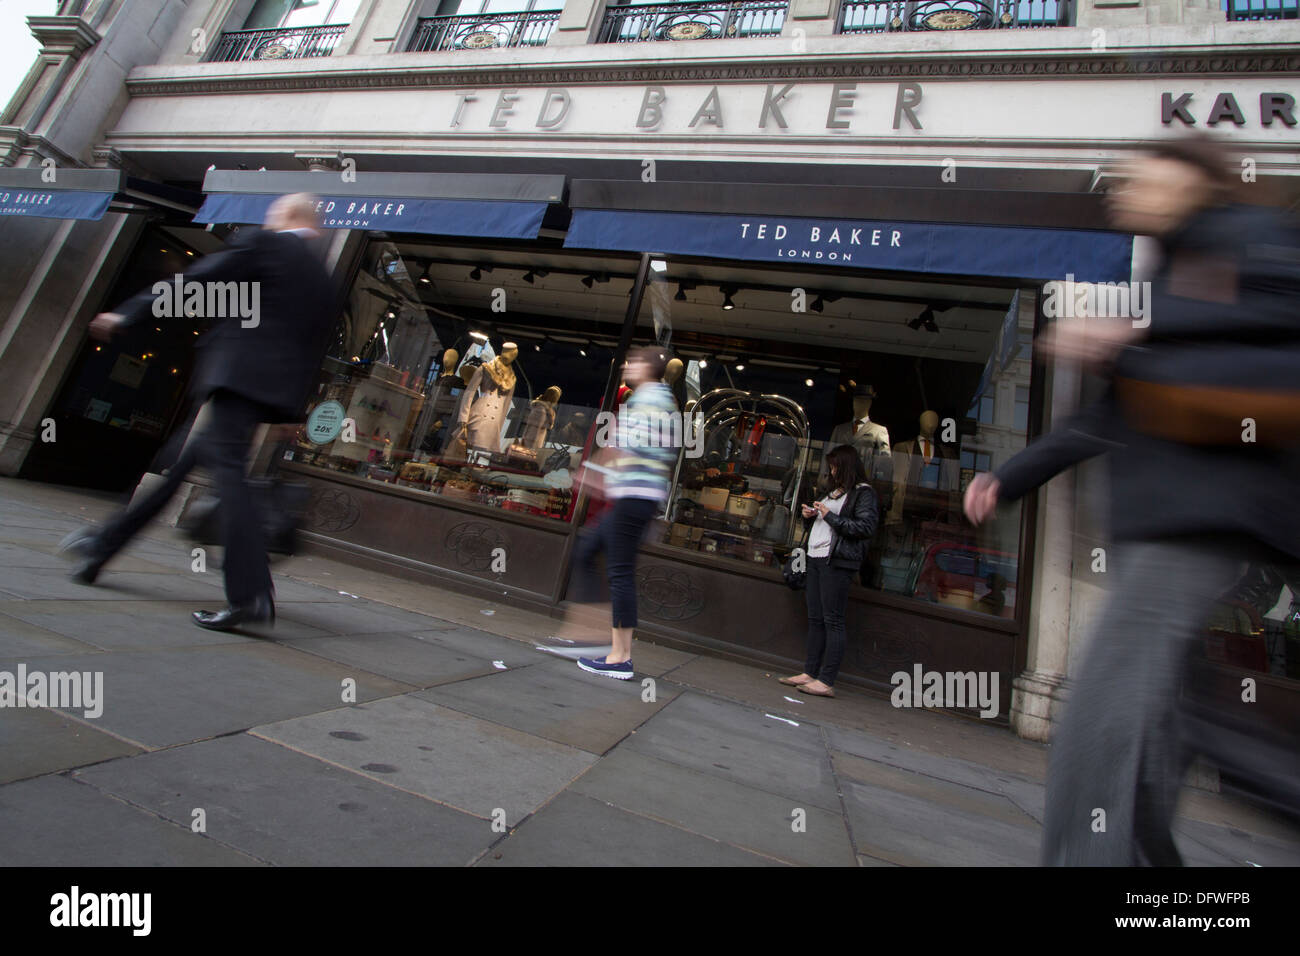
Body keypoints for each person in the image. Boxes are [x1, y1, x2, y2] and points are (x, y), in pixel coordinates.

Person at [964, 134, 1300, 865]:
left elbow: (1271, 335)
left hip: (1203, 516)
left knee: (1102, 708)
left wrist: (1137, 335)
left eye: (1141, 178)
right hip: (1174, 517)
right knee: (1177, 727)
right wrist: (1009, 474)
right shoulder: (1177, 262)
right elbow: (1108, 416)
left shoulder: (1245, 237)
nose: (1126, 193)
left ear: (1191, 177)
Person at [62, 193, 340, 632]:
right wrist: (291, 411)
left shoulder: (267, 243)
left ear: (286, 215)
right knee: (178, 467)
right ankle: (101, 547)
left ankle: (250, 597)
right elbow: (313, 349)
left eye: (272, 211)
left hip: (234, 380)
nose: (267, 216)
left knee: (229, 481)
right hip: (262, 391)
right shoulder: (325, 281)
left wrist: (127, 314)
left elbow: (195, 282)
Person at [573, 345, 680, 680]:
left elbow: (626, 445)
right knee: (588, 553)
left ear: (647, 368)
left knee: (620, 573)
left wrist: (594, 471)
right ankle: (594, 639)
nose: (627, 366)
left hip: (633, 496)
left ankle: (620, 657)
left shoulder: (647, 399)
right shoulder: (663, 400)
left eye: (633, 362)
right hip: (635, 497)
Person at [779, 444, 878, 698]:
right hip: (815, 558)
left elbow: (865, 527)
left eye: (835, 466)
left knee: (833, 620)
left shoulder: (863, 493)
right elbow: (823, 523)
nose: (832, 471)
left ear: (846, 466)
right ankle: (810, 672)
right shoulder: (833, 493)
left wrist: (829, 516)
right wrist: (810, 515)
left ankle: (826, 679)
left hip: (836, 562)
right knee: (815, 617)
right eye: (830, 466)